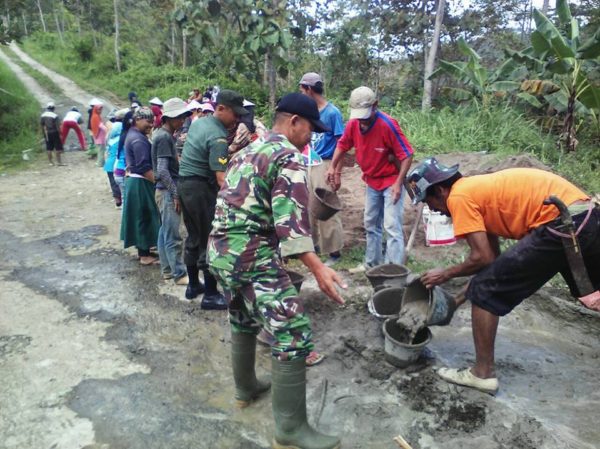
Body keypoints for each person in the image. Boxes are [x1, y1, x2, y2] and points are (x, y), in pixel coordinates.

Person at [208, 92, 345, 449]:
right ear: (294, 123)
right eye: (310, 131)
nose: (311, 138)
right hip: (250, 255)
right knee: (293, 333)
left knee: (242, 316)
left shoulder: (246, 151)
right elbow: (292, 228)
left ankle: (245, 389)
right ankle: (290, 429)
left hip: (219, 250)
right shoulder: (288, 157)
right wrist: (319, 269)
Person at [408, 158, 600, 394]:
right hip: (585, 217)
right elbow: (492, 261)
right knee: (593, 295)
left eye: (428, 202)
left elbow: (482, 259)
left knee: (485, 292)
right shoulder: (475, 191)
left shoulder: (458, 197)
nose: (432, 209)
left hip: (559, 223)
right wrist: (455, 302)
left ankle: (482, 374)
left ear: (439, 190)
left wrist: (445, 274)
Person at [326, 86, 414, 272]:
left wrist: (398, 183)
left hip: (390, 180)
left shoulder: (388, 125)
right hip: (372, 180)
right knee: (371, 223)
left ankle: (394, 269)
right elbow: (342, 145)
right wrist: (333, 166)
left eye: (365, 115)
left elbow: (407, 155)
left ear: (375, 106)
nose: (362, 121)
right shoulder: (353, 124)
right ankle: (372, 263)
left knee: (391, 226)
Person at [177, 89, 247, 308]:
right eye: (235, 114)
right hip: (200, 189)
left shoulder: (199, 122)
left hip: (185, 185)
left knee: (193, 235)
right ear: (221, 108)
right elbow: (220, 178)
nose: (237, 119)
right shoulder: (217, 137)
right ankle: (209, 294)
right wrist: (241, 198)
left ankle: (193, 286)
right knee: (209, 238)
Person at [299, 72, 345, 264]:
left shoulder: (332, 113)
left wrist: (336, 170)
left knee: (325, 206)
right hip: (307, 161)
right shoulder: (307, 111)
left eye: (302, 89)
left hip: (325, 163)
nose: (300, 93)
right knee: (307, 205)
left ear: (309, 89)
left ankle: (334, 250)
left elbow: (341, 144)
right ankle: (313, 245)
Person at [152, 98, 191, 286]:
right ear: (168, 118)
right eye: (179, 117)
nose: (182, 120)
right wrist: (175, 193)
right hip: (167, 190)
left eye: (184, 117)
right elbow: (162, 170)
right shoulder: (164, 137)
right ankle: (179, 273)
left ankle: (167, 270)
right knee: (173, 235)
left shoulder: (166, 135)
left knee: (164, 232)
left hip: (163, 190)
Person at [120, 107, 161, 266]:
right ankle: (144, 255)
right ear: (137, 120)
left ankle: (144, 249)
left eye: (152, 121)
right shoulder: (138, 140)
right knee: (144, 217)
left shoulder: (135, 135)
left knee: (141, 216)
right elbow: (144, 167)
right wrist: (157, 183)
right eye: (148, 121)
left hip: (136, 182)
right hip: (140, 182)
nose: (151, 124)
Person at [103, 110, 124, 208]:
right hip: (119, 164)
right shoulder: (123, 138)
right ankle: (122, 201)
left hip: (109, 163)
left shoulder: (110, 139)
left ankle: (117, 202)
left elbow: (106, 152)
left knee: (113, 183)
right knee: (120, 184)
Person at [40, 102, 64, 166]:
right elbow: (58, 126)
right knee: (57, 147)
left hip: (47, 133)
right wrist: (60, 133)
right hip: (54, 132)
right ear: (53, 108)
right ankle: (59, 162)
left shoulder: (43, 115)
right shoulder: (55, 115)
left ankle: (50, 162)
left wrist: (44, 133)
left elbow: (42, 125)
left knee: (49, 148)